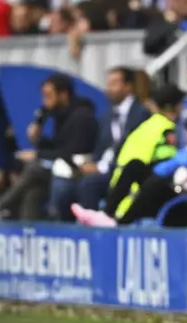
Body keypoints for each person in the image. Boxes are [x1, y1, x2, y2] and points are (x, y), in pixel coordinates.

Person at [73, 107, 187, 227]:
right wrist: (177, 160)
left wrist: (177, 160)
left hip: (183, 205)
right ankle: (106, 214)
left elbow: (175, 165)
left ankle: (121, 223)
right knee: (135, 166)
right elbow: (166, 167)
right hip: (169, 196)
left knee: (155, 183)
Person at [71, 84, 184, 226]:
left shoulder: (143, 127)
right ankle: (114, 221)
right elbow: (166, 165)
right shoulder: (167, 129)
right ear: (177, 106)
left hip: (120, 193)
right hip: (143, 196)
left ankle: (106, 215)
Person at [48, 66, 150, 221]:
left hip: (124, 170)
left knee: (88, 184)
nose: (109, 89)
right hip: (102, 168)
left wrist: (102, 167)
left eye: (114, 83)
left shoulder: (142, 114)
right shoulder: (106, 117)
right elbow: (100, 150)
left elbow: (133, 147)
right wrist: (91, 164)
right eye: (108, 84)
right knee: (64, 187)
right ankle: (69, 232)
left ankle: (95, 228)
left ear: (128, 86)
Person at [0, 73, 98, 221]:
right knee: (33, 192)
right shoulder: (58, 115)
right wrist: (38, 138)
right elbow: (57, 145)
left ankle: (0, 205)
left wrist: (38, 154)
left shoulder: (82, 116)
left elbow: (70, 151)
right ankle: (28, 232)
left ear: (63, 95)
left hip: (76, 168)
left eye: (48, 96)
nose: (44, 101)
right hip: (60, 167)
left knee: (34, 168)